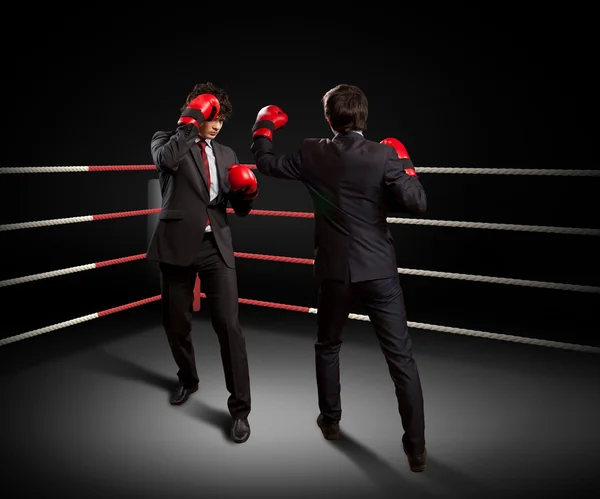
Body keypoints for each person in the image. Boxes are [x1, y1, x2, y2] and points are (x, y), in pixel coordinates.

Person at [247, 84, 428, 471]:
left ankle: (330, 421)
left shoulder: (314, 152)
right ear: (364, 118)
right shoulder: (383, 155)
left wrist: (263, 128)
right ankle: (416, 449)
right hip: (379, 270)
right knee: (401, 359)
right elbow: (417, 203)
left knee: (328, 346)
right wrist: (405, 163)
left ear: (329, 119)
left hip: (334, 271)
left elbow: (266, 164)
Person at [146, 82, 259, 444]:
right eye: (212, 118)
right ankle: (188, 379)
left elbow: (237, 208)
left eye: (220, 120)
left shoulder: (226, 153)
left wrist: (248, 193)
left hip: (217, 247)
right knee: (176, 323)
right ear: (196, 112)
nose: (216, 126)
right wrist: (191, 121)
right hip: (178, 243)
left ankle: (240, 411)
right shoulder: (166, 140)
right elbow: (165, 162)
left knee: (229, 326)